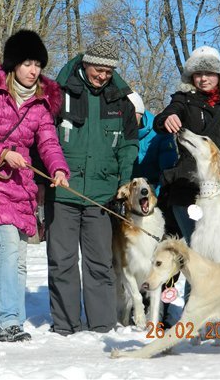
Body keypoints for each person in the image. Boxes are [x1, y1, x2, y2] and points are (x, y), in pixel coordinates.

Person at [0, 29, 69, 342]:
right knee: (9, 247)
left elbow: (49, 143)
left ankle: (17, 319)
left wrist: (58, 169)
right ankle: (7, 321)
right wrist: (2, 152)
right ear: (14, 64)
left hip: (24, 187)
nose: (33, 70)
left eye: (38, 64)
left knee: (22, 258)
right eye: (27, 63)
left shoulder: (41, 105)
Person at [47, 38, 139, 336]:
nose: (102, 76)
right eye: (98, 70)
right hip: (63, 191)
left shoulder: (121, 102)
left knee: (100, 262)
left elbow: (128, 145)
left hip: (103, 196)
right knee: (62, 261)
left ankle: (102, 325)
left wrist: (124, 180)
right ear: (86, 64)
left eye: (108, 72)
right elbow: (45, 137)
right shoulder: (59, 95)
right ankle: (65, 325)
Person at [154, 45, 220, 244]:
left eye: (209, 73)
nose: (203, 79)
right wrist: (168, 118)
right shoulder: (183, 100)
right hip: (189, 190)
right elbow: (162, 119)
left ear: (219, 75)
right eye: (198, 74)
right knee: (197, 253)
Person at [127, 92, 178, 196]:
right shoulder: (118, 133)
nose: (128, 120)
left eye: (132, 115)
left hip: (154, 190)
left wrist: (154, 196)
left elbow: (167, 171)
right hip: (129, 190)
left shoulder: (160, 133)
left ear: (140, 113)